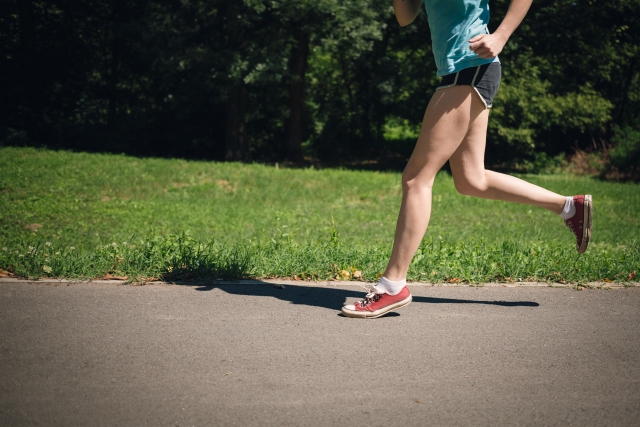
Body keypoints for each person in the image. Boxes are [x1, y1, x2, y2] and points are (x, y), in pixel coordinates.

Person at [341, 0, 592, 319]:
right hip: (459, 71)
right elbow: (406, 17)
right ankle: (570, 207)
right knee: (472, 179)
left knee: (417, 178)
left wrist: (501, 35)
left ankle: (393, 286)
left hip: (471, 67)